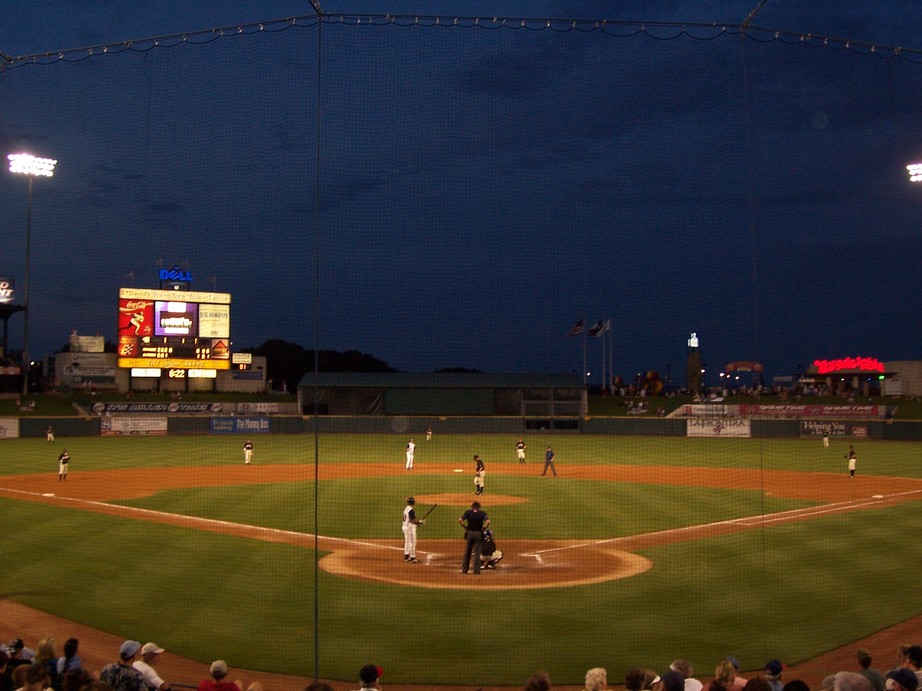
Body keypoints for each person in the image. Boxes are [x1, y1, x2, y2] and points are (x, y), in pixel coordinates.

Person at [458, 500, 490, 574]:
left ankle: (464, 570)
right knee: (477, 553)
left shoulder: (468, 512)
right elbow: (488, 522)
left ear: (472, 507)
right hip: (478, 534)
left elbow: (460, 520)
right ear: (479, 507)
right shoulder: (482, 513)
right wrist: (484, 528)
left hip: (470, 533)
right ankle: (476, 571)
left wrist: (465, 527)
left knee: (467, 552)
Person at [402, 496, 425, 563]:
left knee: (407, 541)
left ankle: (406, 556)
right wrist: (419, 522)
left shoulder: (406, 509)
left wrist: (417, 523)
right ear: (413, 502)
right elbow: (413, 521)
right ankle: (412, 557)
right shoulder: (411, 510)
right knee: (412, 542)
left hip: (405, 526)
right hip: (409, 528)